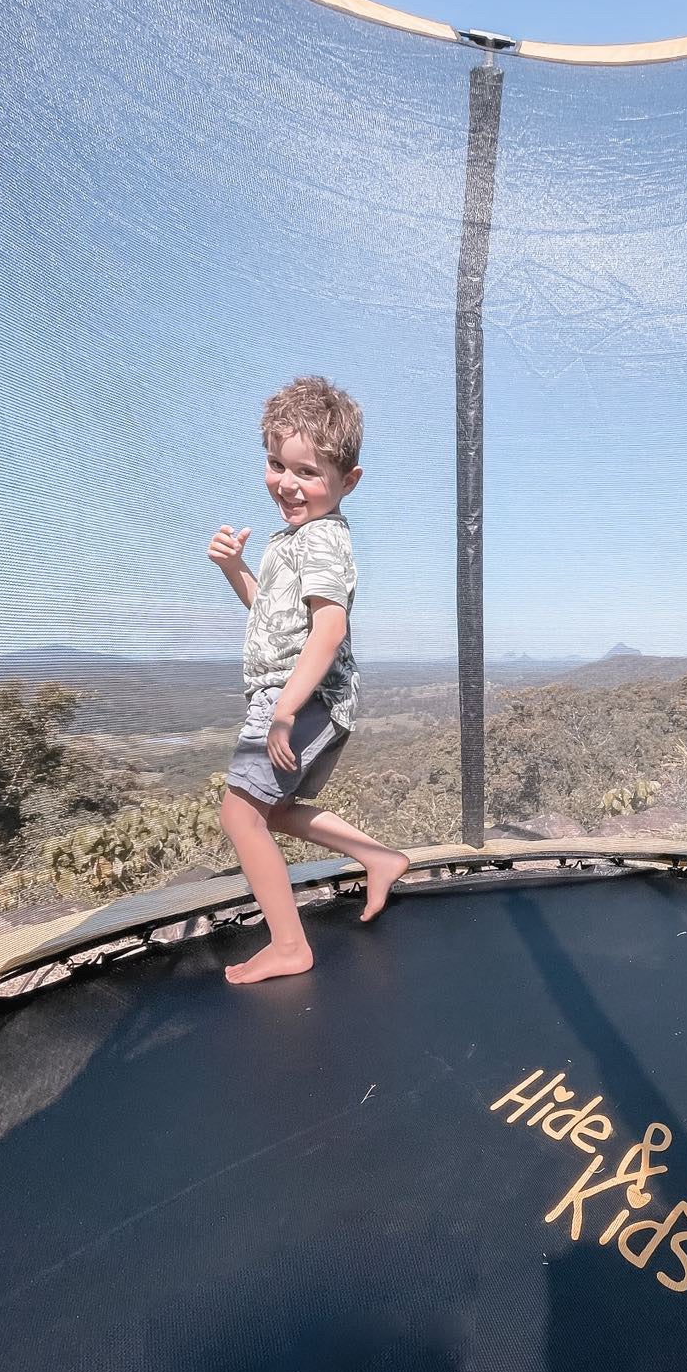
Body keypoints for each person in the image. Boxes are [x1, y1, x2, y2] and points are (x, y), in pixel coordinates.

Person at [208, 375, 409, 985]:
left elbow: (327, 631)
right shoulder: (291, 539)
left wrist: (286, 708)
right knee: (275, 810)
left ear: (348, 481)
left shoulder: (321, 538)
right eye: (277, 465)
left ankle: (290, 944)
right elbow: (272, 617)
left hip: (302, 696)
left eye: (308, 473)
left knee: (239, 815)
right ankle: (380, 858)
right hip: (301, 693)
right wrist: (235, 569)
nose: (287, 484)